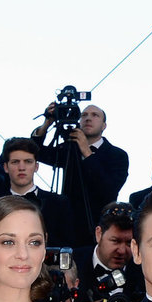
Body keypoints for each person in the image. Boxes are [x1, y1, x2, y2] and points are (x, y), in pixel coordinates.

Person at [32, 103, 130, 245]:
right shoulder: (70, 149)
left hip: (99, 227)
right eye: (84, 115)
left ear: (104, 126)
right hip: (68, 225)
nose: (88, 119)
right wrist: (47, 123)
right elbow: (36, 152)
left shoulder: (117, 155)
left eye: (95, 115)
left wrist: (87, 152)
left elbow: (109, 189)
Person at [0, 138, 73, 246]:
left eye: (28, 162)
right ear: (6, 167)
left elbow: (67, 245)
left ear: (36, 167)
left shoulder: (59, 203)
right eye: (15, 162)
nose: (21, 167)